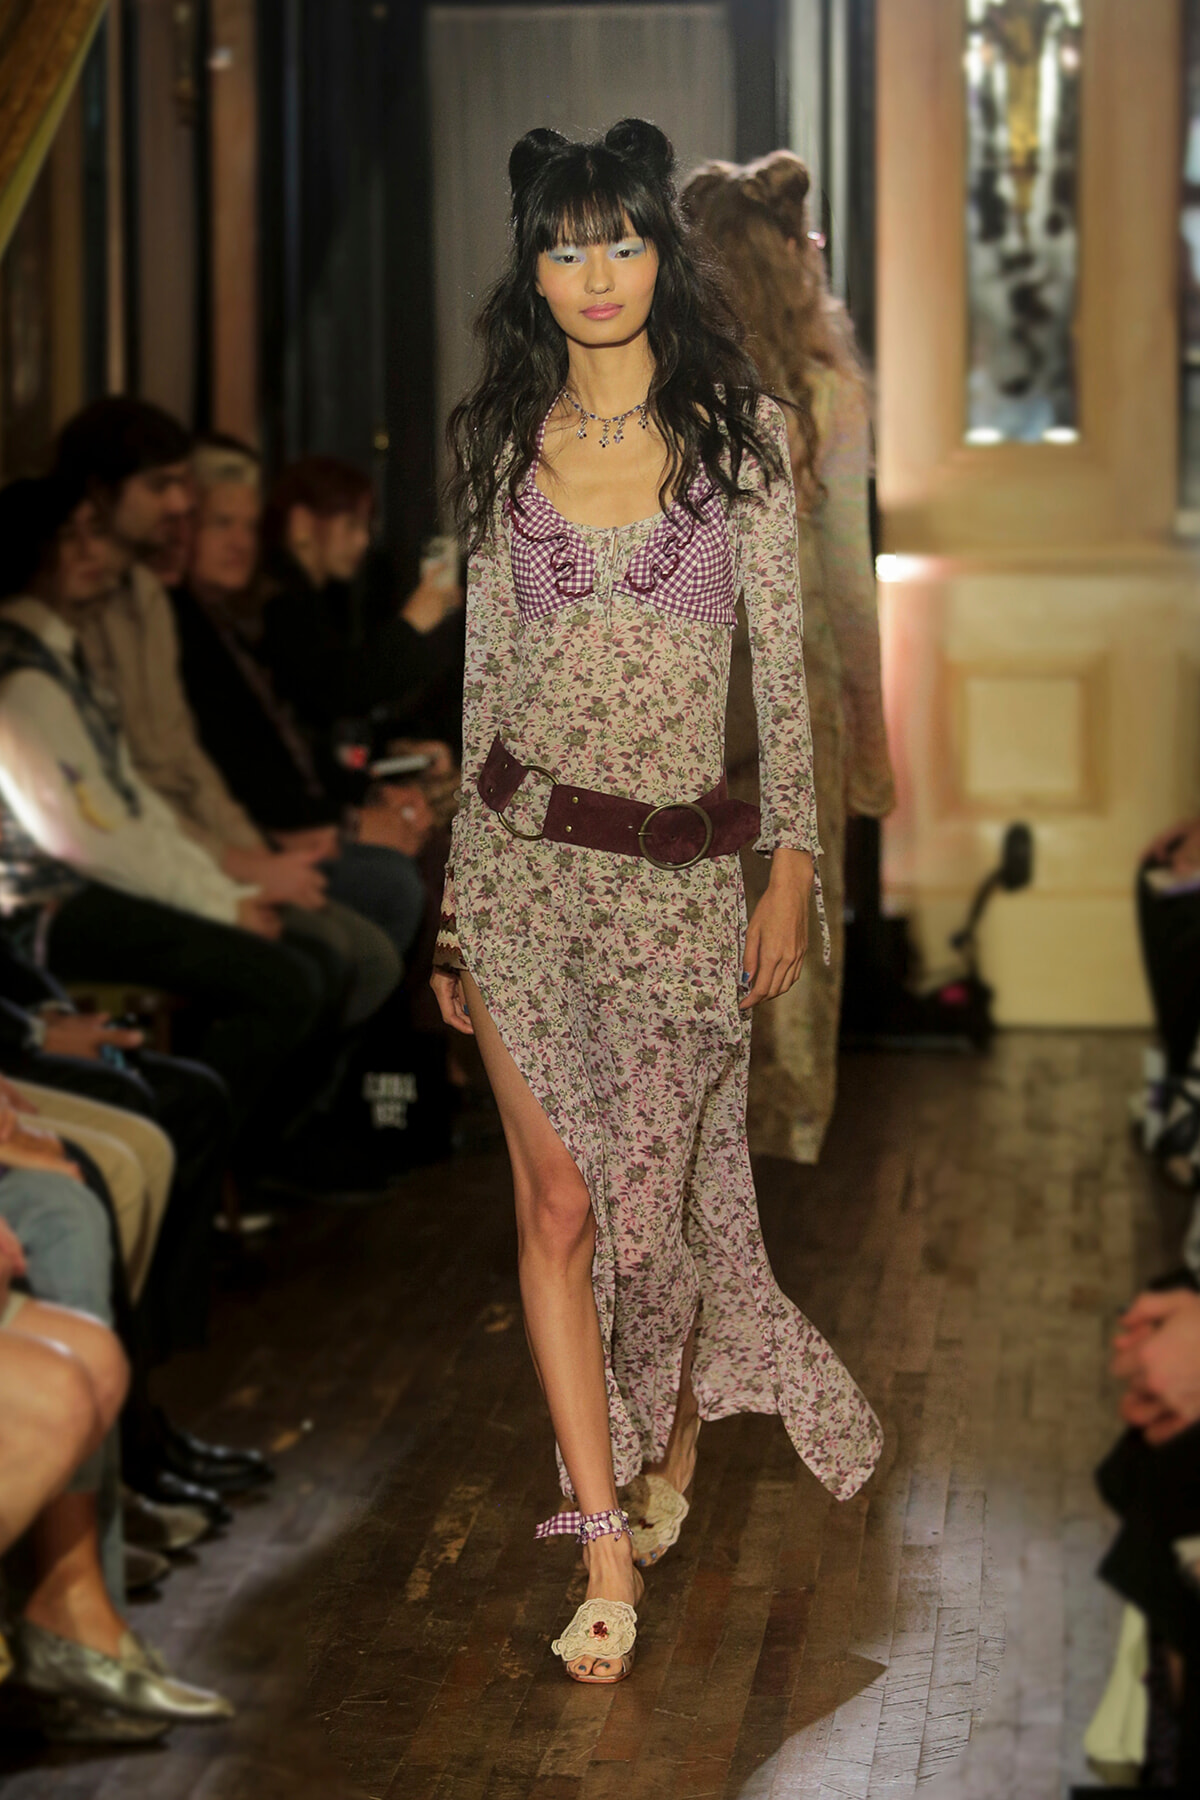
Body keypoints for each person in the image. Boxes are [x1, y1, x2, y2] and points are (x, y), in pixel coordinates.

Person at [431, 118, 881, 1685]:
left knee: (662, 1217)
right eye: (565, 245)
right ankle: (599, 1538)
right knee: (560, 1207)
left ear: (659, 258)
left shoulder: (742, 439)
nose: (596, 273)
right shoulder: (496, 444)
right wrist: (447, 917)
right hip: (522, 876)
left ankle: (674, 1424)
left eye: (622, 240)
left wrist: (796, 870)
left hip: (689, 887)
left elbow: (787, 684)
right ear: (532, 268)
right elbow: (481, 685)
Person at [52, 397, 400, 1034]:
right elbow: (122, 793)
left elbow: (187, 761)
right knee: (338, 947)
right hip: (99, 875)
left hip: (187, 848)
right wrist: (242, 868)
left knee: (361, 934)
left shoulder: (160, 605)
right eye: (167, 490)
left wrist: (253, 856)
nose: (181, 511)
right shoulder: (86, 606)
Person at [681, 151, 895, 1163]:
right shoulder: (825, 400)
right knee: (791, 918)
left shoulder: (666, 399)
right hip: (791, 692)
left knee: (689, 917)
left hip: (678, 695)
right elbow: (850, 589)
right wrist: (874, 745)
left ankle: (692, 1134)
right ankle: (787, 1127)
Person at [0, 474, 327, 1136]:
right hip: (49, 911)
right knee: (287, 981)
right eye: (73, 537)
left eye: (95, 533)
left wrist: (220, 887)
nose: (96, 552)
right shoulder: (25, 676)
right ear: (33, 551)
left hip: (97, 884)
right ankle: (184, 1149)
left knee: (305, 963)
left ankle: (222, 1154)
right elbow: (91, 842)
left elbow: (133, 806)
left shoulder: (57, 656)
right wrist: (219, 903)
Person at [170, 440, 432, 965]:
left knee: (418, 866)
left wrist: (372, 793)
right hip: (237, 842)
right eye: (222, 524)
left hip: (274, 823)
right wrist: (347, 821)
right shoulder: (265, 608)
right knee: (398, 885)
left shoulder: (232, 616)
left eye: (247, 527)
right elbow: (332, 695)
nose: (242, 543)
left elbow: (291, 747)